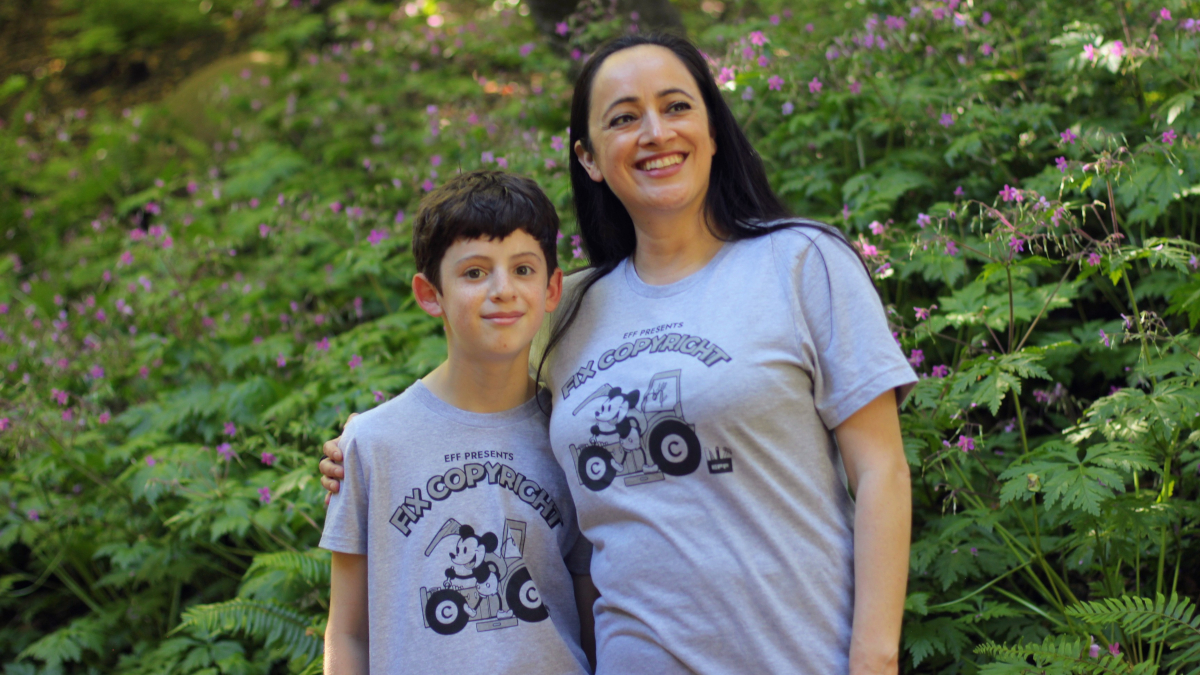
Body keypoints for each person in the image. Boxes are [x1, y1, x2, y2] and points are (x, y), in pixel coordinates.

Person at [323, 33, 915, 675]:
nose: (655, 132)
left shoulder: (803, 262)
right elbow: (482, 388)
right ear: (591, 156)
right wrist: (371, 443)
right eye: (625, 118)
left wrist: (874, 661)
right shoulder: (569, 308)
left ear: (714, 129)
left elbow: (882, 472)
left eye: (677, 107)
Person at [320, 171, 596, 674]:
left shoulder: (571, 433)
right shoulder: (372, 444)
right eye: (474, 273)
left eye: (523, 269)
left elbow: (591, 611)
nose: (503, 290)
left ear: (553, 287)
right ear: (430, 294)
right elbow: (347, 632)